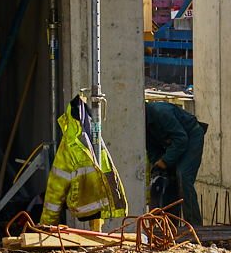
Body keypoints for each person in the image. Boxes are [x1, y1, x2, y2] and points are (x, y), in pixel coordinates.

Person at [40, 95, 129, 226]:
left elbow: (56, 187)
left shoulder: (88, 131)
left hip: (97, 205)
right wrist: (46, 226)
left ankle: (96, 228)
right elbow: (57, 185)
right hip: (87, 207)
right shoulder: (73, 141)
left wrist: (46, 224)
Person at [145, 98, 206, 226]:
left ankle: (194, 224)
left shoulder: (161, 113)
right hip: (174, 143)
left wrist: (165, 161)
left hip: (191, 137)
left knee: (183, 175)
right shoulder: (143, 123)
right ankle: (170, 224)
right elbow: (152, 148)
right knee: (167, 177)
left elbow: (181, 139)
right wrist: (159, 165)